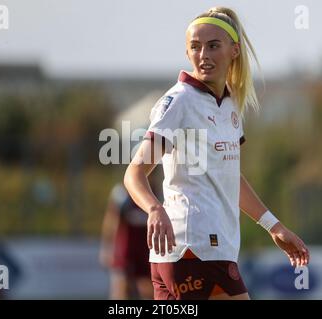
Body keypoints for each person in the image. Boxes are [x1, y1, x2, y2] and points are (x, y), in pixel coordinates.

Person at [123, 6, 310, 300]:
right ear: (187, 53)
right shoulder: (179, 101)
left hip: (213, 251)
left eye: (213, 46)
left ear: (234, 50)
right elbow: (134, 173)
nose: (203, 55)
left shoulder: (230, 104)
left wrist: (274, 226)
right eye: (195, 47)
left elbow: (230, 177)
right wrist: (154, 209)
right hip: (192, 248)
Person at [99, 171, 163, 299]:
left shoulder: (159, 192)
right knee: (121, 288)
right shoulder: (122, 192)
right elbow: (112, 220)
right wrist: (107, 247)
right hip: (125, 250)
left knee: (149, 290)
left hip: (147, 251)